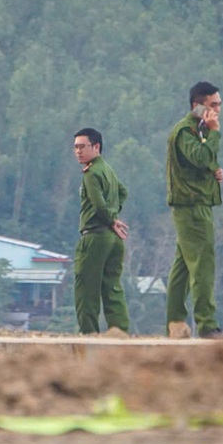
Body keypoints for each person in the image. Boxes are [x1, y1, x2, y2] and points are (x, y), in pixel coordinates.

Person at [165, 82, 223, 339]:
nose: (218, 110)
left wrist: (215, 173)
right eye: (213, 105)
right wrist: (214, 134)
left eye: (219, 105)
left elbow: (201, 164)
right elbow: (199, 157)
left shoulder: (199, 131)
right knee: (202, 265)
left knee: (182, 268)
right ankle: (207, 324)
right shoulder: (186, 131)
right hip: (192, 208)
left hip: (196, 205)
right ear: (197, 106)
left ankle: (176, 322)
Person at [72, 127, 130, 335]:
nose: (78, 151)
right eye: (75, 147)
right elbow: (123, 192)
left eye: (83, 147)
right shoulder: (108, 169)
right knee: (112, 287)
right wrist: (115, 215)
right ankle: (120, 331)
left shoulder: (91, 173)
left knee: (86, 288)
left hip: (96, 235)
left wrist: (111, 218)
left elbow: (98, 205)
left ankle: (89, 334)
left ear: (96, 147)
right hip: (114, 239)